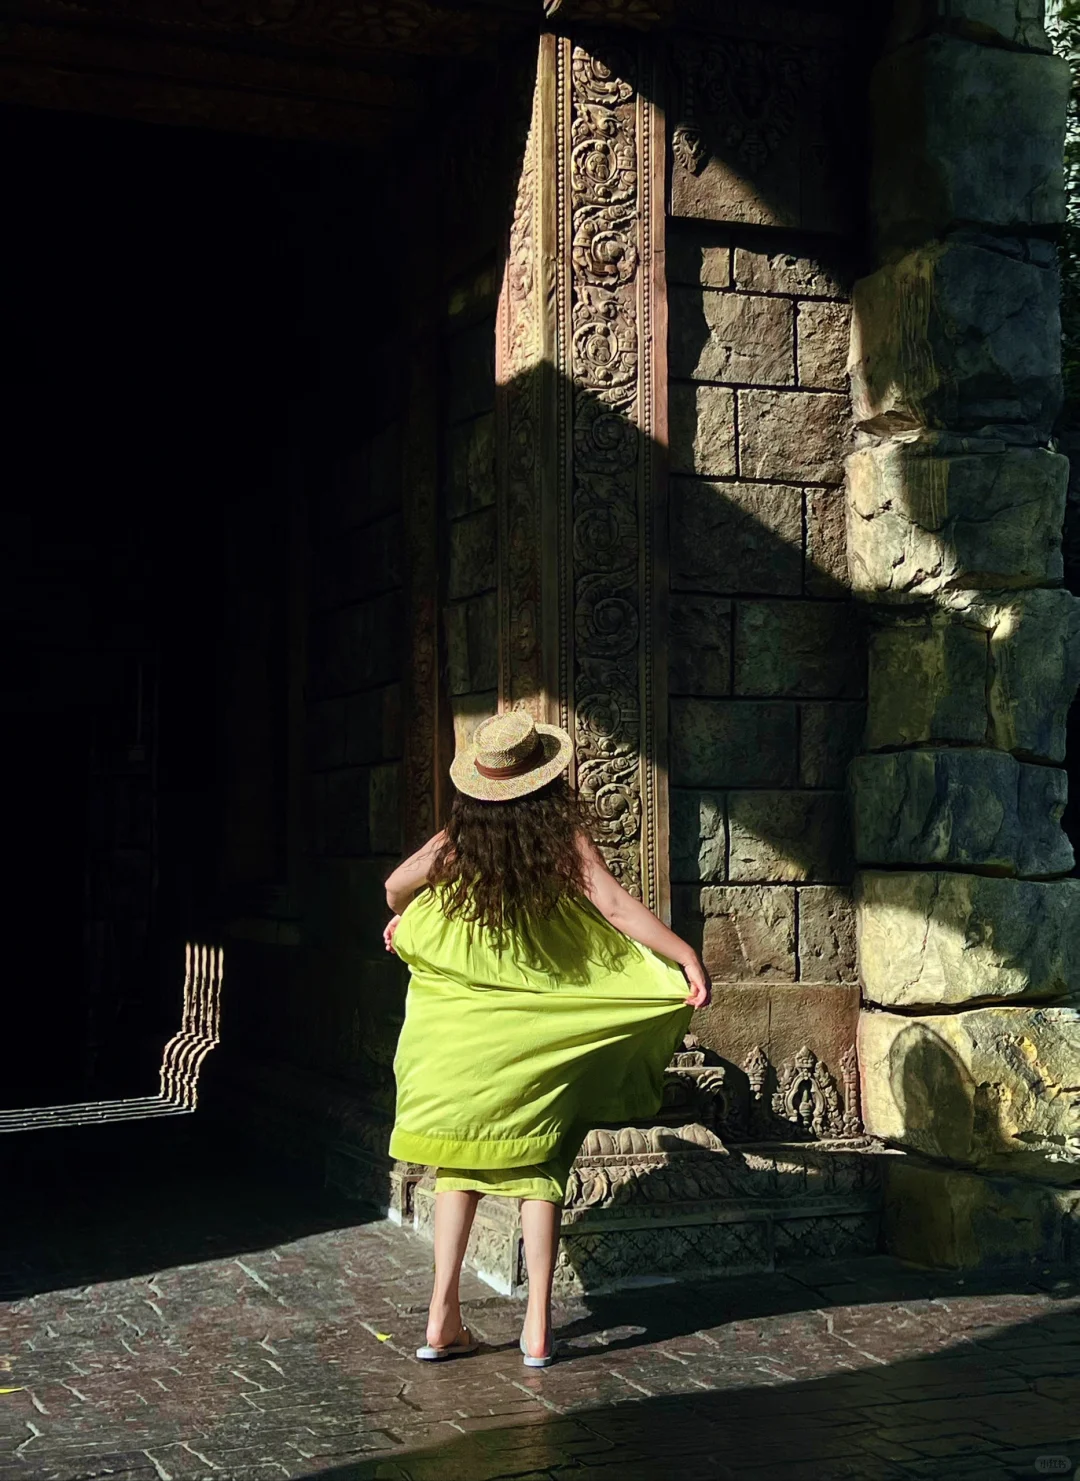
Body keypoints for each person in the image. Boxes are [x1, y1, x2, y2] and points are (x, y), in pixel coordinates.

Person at [382, 710, 712, 1369]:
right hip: (542, 1029)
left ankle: (442, 1315)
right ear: (544, 778)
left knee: (460, 1164)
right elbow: (614, 906)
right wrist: (684, 956)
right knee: (541, 1162)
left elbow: (395, 887)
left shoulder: (459, 842)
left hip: (466, 1031)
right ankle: (537, 1328)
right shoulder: (562, 838)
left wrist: (409, 915)